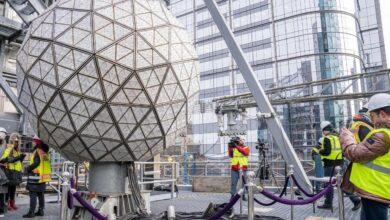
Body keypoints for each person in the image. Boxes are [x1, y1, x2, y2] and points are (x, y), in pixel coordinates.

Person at [340, 93, 390, 220]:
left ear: (382, 114)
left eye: (372, 115)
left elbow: (355, 154)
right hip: (377, 188)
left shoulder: (382, 135)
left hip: (376, 189)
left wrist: (347, 136)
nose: (371, 119)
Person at [23, 137, 52, 218]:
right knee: (40, 194)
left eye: (34, 141)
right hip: (43, 177)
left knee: (33, 194)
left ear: (37, 142)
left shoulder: (37, 151)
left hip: (35, 177)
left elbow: (36, 163)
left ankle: (31, 212)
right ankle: (41, 210)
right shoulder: (45, 152)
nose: (32, 143)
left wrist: (28, 168)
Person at [317, 121, 343, 210]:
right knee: (340, 183)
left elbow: (327, 152)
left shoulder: (327, 138)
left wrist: (320, 151)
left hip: (329, 164)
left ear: (326, 130)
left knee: (328, 184)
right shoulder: (337, 137)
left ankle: (328, 203)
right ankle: (355, 200)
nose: (323, 133)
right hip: (339, 164)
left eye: (323, 131)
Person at [0, 132, 25, 211]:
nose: (17, 142)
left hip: (16, 172)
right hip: (10, 172)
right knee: (9, 189)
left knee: (13, 189)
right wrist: (18, 158)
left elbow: (18, 162)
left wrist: (21, 158)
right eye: (15, 140)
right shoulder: (9, 149)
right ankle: (8, 204)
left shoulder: (17, 150)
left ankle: (12, 203)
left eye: (17, 141)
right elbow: (3, 160)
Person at [228, 136, 250, 200]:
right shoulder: (234, 148)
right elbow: (231, 155)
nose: (241, 141)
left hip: (243, 168)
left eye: (242, 140)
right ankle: (232, 195)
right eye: (240, 140)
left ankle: (243, 195)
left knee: (244, 183)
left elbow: (245, 153)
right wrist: (230, 147)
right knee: (233, 183)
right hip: (234, 168)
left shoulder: (246, 148)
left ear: (244, 141)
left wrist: (237, 146)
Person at [0, 128, 8, 217]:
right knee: (2, 192)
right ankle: (2, 210)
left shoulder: (4, 144)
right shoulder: (5, 144)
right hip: (3, 172)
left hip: (2, 172)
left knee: (1, 192)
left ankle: (1, 210)